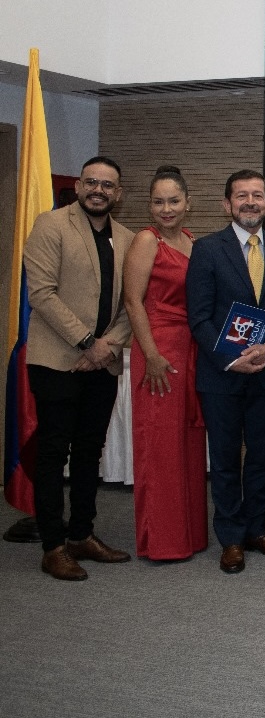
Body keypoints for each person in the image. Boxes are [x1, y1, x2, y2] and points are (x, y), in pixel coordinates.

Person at [24, 156, 135, 580]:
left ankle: (81, 534)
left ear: (118, 193)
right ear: (79, 185)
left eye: (108, 185)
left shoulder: (126, 238)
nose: (99, 190)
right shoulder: (51, 225)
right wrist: (87, 343)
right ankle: (52, 545)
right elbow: (43, 294)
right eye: (92, 182)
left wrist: (107, 346)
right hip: (58, 361)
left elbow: (132, 303)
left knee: (90, 451)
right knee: (54, 453)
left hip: (102, 362)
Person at [185, 169, 265, 574]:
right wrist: (230, 359)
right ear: (227, 204)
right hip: (222, 375)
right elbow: (199, 317)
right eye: (242, 196)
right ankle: (230, 537)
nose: (250, 202)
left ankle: (256, 530)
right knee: (226, 460)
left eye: (258, 195)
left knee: (262, 457)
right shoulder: (208, 250)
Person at [121, 165, 208, 561]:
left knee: (187, 443)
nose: (166, 209)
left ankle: (188, 536)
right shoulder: (146, 240)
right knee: (159, 445)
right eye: (158, 201)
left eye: (174, 201)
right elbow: (132, 301)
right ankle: (162, 541)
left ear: (188, 203)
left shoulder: (192, 241)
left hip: (189, 350)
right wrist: (152, 355)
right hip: (157, 351)